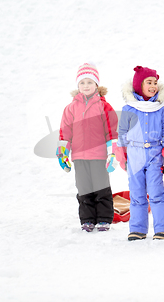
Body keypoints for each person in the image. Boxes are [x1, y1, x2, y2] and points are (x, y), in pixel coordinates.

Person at [115, 66, 164, 241]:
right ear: (138, 85)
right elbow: (122, 133)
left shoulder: (160, 108)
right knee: (136, 193)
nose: (153, 86)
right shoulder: (129, 108)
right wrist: (121, 154)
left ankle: (163, 228)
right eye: (149, 82)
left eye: (155, 83)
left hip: (154, 155)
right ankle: (138, 228)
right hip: (135, 155)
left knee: (157, 191)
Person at [57, 63, 118, 232]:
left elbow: (112, 132)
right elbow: (65, 133)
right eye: (82, 82)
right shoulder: (70, 108)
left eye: (90, 82)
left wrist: (113, 153)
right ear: (78, 85)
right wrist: (63, 154)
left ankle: (104, 219)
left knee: (101, 186)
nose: (86, 86)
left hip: (98, 155)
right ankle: (87, 219)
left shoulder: (104, 106)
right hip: (79, 156)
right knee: (83, 188)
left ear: (97, 85)